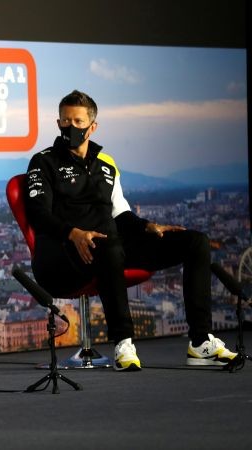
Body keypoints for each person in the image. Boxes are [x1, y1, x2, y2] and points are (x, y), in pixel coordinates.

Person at [24, 89, 237, 371]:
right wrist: (74, 233)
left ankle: (200, 343)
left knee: (196, 242)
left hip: (113, 244)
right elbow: (38, 214)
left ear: (92, 126)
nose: (70, 127)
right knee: (110, 247)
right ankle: (123, 343)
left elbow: (120, 213)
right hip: (65, 253)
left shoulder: (107, 164)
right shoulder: (43, 162)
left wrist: (147, 226)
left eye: (77, 122)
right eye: (65, 121)